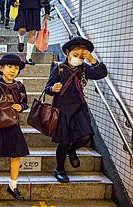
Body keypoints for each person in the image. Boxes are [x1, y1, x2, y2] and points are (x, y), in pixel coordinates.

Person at [44, 37, 108, 183]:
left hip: (79, 106)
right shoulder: (59, 68)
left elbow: (102, 73)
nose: (78, 59)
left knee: (87, 136)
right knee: (64, 141)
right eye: (75, 55)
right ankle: (59, 169)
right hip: (62, 108)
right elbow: (47, 88)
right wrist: (52, 89)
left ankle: (72, 150)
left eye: (81, 56)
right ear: (67, 53)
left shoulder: (85, 69)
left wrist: (92, 59)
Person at [0, 53, 29, 200]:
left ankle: (13, 185)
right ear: (1, 68)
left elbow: (25, 103)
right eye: (9, 66)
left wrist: (21, 107)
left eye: (16, 68)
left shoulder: (20, 86)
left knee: (17, 154)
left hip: (13, 123)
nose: (13, 70)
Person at [9, 0, 51, 65]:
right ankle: (21, 41)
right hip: (21, 7)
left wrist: (47, 11)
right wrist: (12, 2)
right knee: (22, 30)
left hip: (35, 8)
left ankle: (28, 58)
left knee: (33, 32)